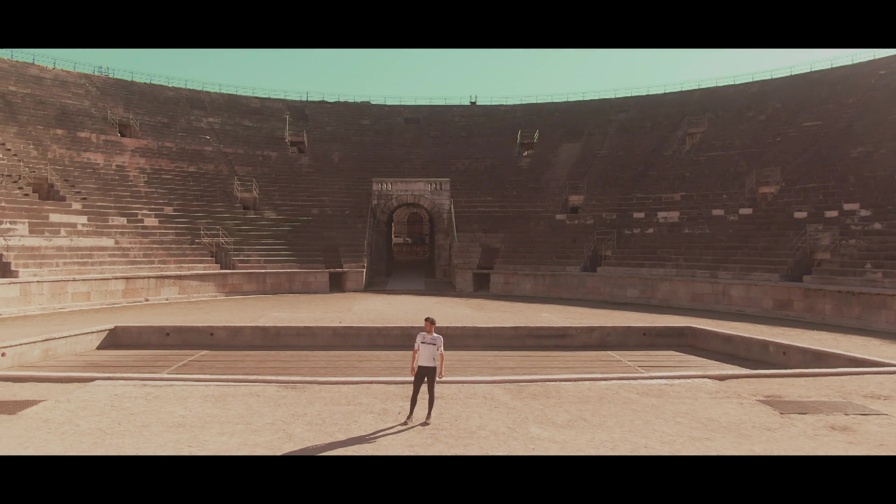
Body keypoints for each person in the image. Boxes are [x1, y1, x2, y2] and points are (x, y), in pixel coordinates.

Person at [402, 316, 445, 425]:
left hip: (432, 368)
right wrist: (413, 365)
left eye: (427, 325)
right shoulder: (420, 336)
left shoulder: (438, 338)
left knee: (431, 392)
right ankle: (410, 415)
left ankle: (429, 415)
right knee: (415, 391)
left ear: (433, 326)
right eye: (425, 324)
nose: (425, 326)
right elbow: (415, 351)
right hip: (421, 367)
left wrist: (442, 369)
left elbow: (441, 354)